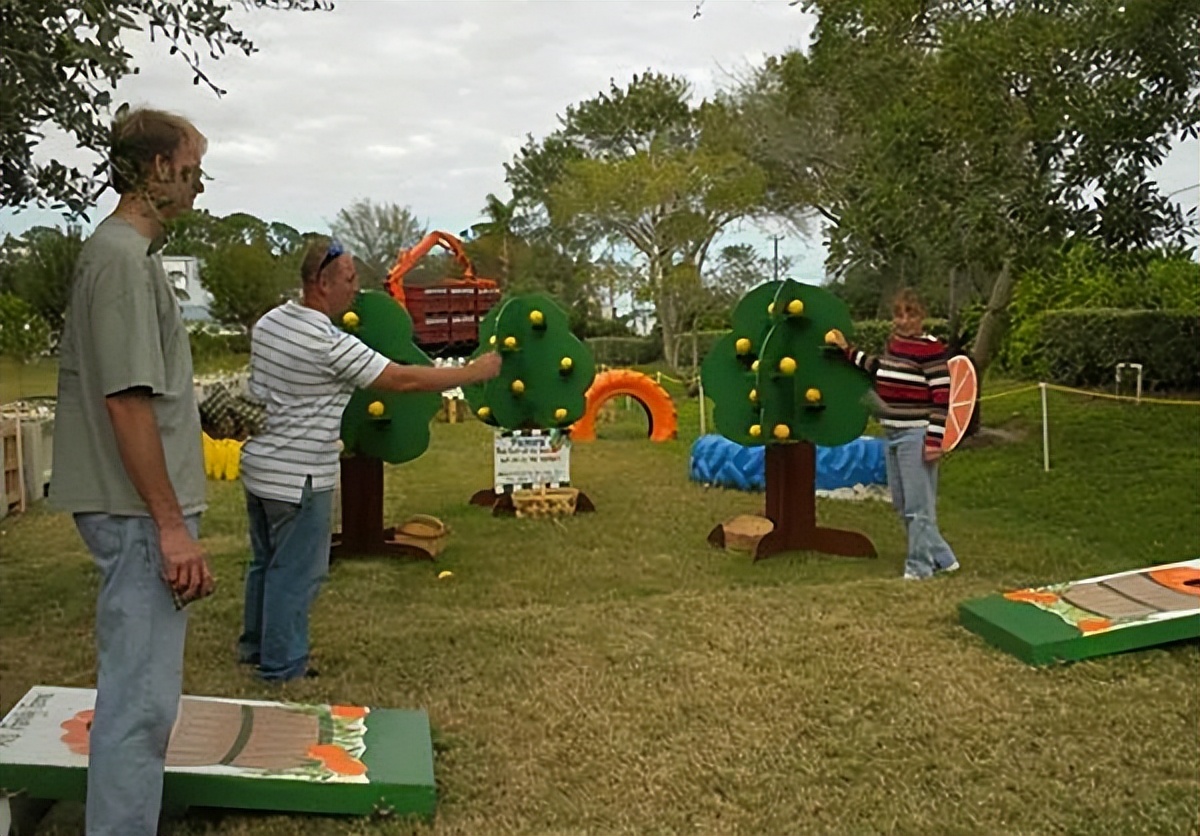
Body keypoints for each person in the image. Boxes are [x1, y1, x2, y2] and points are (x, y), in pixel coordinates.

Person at [49, 107, 215, 836]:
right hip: (141, 514)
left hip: (137, 511)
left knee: (140, 698)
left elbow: (143, 389)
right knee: (140, 706)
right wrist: (171, 525)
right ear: (158, 170)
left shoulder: (124, 257)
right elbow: (125, 402)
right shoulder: (119, 258)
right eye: (193, 169)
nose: (199, 187)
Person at [236, 237, 502, 682]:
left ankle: (254, 645)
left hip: (261, 469)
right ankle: (282, 664)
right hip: (301, 477)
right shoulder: (327, 343)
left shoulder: (270, 322)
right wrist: (473, 372)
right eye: (348, 280)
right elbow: (401, 379)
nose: (355, 290)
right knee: (296, 572)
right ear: (321, 283)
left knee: (266, 562)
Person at [828, 288, 960, 580]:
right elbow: (879, 368)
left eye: (909, 314)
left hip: (916, 435)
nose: (902, 321)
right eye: (898, 314)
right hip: (893, 434)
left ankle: (919, 568)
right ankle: (944, 558)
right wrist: (847, 352)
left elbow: (942, 397)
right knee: (903, 503)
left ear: (921, 316)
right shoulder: (896, 345)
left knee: (918, 506)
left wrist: (935, 440)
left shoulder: (931, 350)